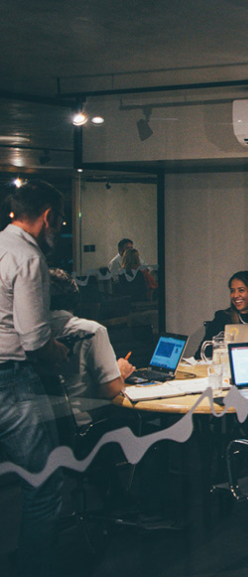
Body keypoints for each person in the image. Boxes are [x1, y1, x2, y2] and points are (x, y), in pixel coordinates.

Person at [0, 180, 70, 576]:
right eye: (57, 221)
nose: (57, 229)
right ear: (47, 217)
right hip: (12, 381)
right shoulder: (27, 257)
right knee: (43, 481)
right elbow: (34, 337)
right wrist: (57, 351)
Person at [48, 268, 136, 426]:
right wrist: (120, 372)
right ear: (75, 298)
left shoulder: (23, 334)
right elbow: (109, 389)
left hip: (39, 429)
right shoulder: (90, 331)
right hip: (83, 424)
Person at [195, 270, 248, 358]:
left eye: (241, 290)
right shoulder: (222, 317)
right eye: (232, 291)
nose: (235, 295)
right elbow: (200, 355)